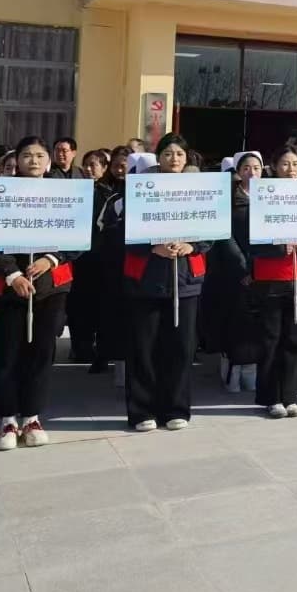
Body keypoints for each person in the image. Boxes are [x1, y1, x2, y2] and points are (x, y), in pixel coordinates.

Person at [0, 136, 77, 451]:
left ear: (48, 161)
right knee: (7, 354)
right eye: (27, 155)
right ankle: (7, 420)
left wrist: (51, 258)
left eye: (40, 155)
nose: (34, 160)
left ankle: (32, 417)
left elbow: (77, 237)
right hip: (8, 288)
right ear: (16, 161)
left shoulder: (65, 194)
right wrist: (12, 274)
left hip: (50, 287)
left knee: (41, 354)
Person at [121, 133, 211, 431]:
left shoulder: (199, 191)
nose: (174, 159)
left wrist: (192, 245)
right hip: (146, 279)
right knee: (144, 349)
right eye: (168, 153)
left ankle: (176, 409)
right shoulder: (139, 189)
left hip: (185, 280)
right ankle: (142, 411)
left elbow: (212, 230)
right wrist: (152, 246)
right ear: (158, 157)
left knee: (181, 348)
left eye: (180, 154)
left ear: (187, 158)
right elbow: (124, 231)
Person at [249, 147, 297, 417]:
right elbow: (252, 241)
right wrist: (279, 247)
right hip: (271, 278)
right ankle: (271, 397)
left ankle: (290, 396)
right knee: (271, 340)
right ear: (274, 167)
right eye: (285, 164)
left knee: (295, 340)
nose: (291, 169)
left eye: (295, 164)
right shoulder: (262, 198)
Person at [207, 152, 263, 394]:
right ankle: (232, 370)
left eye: (257, 168)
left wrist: (257, 267)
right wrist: (242, 266)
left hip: (262, 269)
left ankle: (251, 372)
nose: (252, 172)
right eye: (247, 168)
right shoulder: (227, 198)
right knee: (235, 321)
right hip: (232, 270)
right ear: (238, 172)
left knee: (257, 324)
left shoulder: (270, 198)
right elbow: (224, 235)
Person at [67, 151, 112, 364]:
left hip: (100, 257)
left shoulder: (108, 194)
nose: (88, 169)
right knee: (77, 304)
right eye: (85, 164)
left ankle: (99, 349)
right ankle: (79, 346)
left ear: (104, 168)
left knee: (99, 304)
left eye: (93, 165)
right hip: (77, 257)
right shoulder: (73, 192)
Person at [90, 146, 131, 377]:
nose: (121, 169)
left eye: (126, 165)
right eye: (116, 165)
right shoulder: (106, 192)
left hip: (135, 262)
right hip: (109, 260)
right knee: (107, 311)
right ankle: (103, 354)